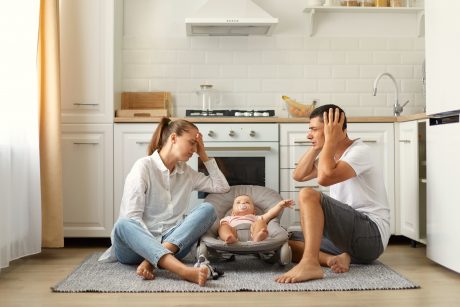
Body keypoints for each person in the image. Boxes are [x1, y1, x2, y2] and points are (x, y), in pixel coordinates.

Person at [98, 117, 230, 287]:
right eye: (191, 143)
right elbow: (133, 217)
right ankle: (183, 271)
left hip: (172, 244)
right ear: (173, 138)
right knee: (124, 224)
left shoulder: (187, 173)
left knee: (208, 209)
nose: (194, 149)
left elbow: (222, 187)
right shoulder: (144, 167)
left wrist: (203, 155)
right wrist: (150, 248)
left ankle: (152, 261)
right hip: (133, 248)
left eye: (197, 145)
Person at [275, 104, 390, 284]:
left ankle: (310, 263)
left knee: (307, 194)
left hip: (370, 236)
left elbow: (324, 178)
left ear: (333, 129)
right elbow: (299, 174)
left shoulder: (359, 152)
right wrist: (317, 146)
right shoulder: (333, 156)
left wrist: (329, 141)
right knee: (284, 241)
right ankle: (335, 259)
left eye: (314, 129)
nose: (308, 135)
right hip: (345, 239)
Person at [218, 194, 294, 244]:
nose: (243, 204)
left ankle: (258, 236)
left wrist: (280, 205)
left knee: (261, 222)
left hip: (252, 233)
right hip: (235, 234)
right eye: (238, 202)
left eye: (247, 202)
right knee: (223, 226)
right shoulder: (229, 218)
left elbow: (270, 214)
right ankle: (229, 237)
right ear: (232, 212)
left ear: (254, 212)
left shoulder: (256, 217)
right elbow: (222, 227)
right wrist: (225, 228)